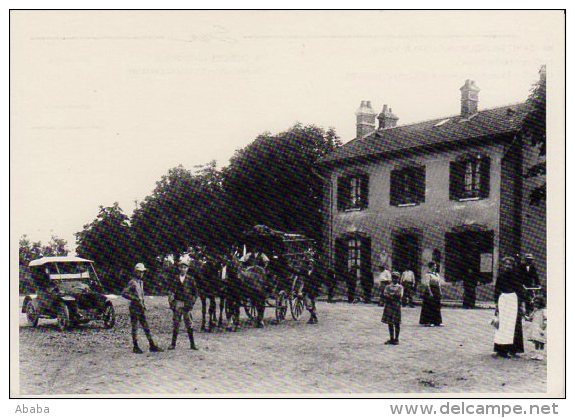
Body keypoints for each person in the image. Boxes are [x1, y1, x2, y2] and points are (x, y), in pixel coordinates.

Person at [121, 263, 163, 354]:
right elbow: (124, 293)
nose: (141, 274)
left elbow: (141, 296)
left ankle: (152, 345)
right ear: (135, 272)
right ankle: (135, 346)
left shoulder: (141, 282)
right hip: (134, 307)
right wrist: (134, 298)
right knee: (135, 327)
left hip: (140, 307)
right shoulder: (132, 282)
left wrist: (143, 305)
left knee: (146, 327)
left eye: (142, 272)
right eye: (139, 272)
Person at [493, 256, 525, 358]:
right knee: (503, 325)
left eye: (509, 265)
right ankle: (501, 349)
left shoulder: (517, 276)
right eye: (505, 264)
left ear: (513, 266)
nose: (507, 266)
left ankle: (513, 349)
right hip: (503, 300)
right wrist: (496, 304)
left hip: (513, 301)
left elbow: (520, 291)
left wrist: (522, 304)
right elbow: (497, 290)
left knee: (514, 325)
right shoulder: (500, 277)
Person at [167, 258, 198, 350]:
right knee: (176, 323)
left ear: (187, 269)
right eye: (181, 267)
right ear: (179, 268)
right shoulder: (175, 279)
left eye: (185, 267)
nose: (183, 269)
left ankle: (192, 344)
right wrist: (172, 303)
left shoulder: (191, 279)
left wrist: (191, 303)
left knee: (189, 324)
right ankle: (173, 344)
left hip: (187, 304)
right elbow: (171, 292)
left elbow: (195, 293)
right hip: (178, 303)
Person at [381, 271, 403, 345]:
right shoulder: (388, 286)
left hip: (396, 306)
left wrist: (390, 295)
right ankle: (391, 338)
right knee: (390, 322)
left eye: (396, 278)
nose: (395, 280)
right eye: (393, 278)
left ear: (398, 279)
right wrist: (392, 295)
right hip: (389, 305)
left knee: (397, 322)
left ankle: (396, 339)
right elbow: (385, 294)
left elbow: (399, 295)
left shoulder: (400, 287)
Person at [419, 262, 443, 327]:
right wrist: (430, 292)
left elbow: (439, 284)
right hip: (430, 290)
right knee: (430, 306)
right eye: (434, 266)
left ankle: (437, 321)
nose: (435, 267)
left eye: (436, 266)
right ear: (431, 267)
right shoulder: (428, 275)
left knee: (437, 306)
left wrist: (440, 291)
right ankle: (429, 321)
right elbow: (427, 284)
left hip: (436, 290)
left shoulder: (437, 275)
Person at [527, 295, 546, 361]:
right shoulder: (535, 311)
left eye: (537, 303)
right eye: (535, 303)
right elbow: (530, 318)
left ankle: (541, 354)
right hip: (535, 328)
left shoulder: (543, 311)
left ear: (541, 303)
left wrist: (544, 326)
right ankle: (536, 354)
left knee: (541, 342)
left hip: (541, 328)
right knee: (536, 341)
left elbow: (546, 319)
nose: (535, 304)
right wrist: (532, 312)